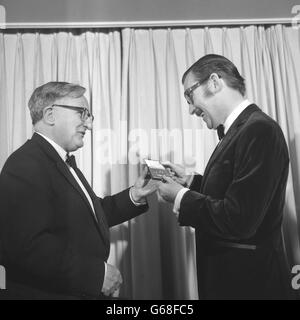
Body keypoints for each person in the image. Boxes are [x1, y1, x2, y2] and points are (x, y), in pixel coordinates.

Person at [0, 82, 158, 300]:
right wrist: (96, 275)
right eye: (82, 113)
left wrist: (135, 195)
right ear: (50, 114)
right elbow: (24, 247)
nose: (89, 124)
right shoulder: (25, 164)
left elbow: (89, 215)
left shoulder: (56, 161)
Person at [158, 54, 292, 299]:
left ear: (214, 82)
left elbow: (239, 218)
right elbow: (236, 191)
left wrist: (181, 197)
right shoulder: (241, 130)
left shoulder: (259, 130)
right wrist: (191, 182)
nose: (189, 109)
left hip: (249, 286)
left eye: (189, 96)